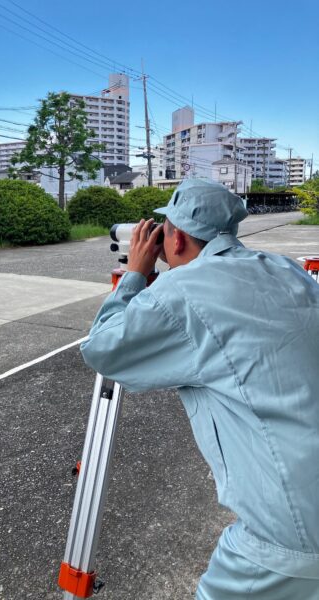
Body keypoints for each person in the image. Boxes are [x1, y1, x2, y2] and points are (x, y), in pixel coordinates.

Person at [80, 178, 319, 599]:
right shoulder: (285, 270)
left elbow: (103, 350)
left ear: (176, 237)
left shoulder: (183, 290)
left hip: (292, 534)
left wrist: (135, 274)